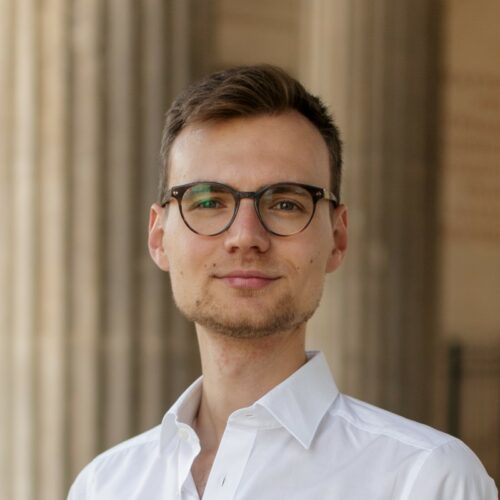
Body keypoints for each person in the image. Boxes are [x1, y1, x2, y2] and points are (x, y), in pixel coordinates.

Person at [68, 65, 497, 499]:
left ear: (338, 238)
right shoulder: (102, 485)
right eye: (209, 201)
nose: (245, 237)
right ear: (159, 237)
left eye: (286, 204)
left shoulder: (426, 479)